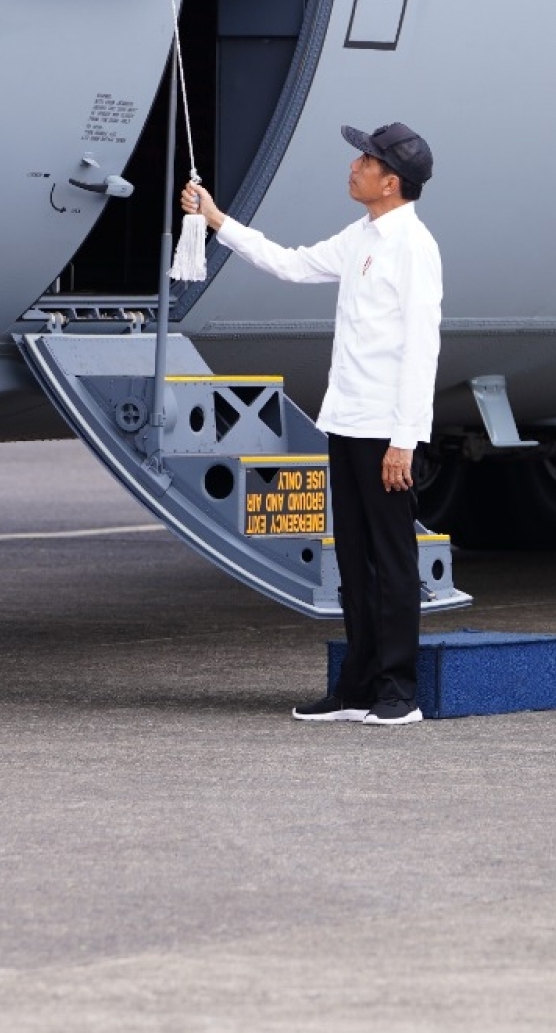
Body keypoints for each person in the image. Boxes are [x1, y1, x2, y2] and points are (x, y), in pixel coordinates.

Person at [183, 123, 442, 727]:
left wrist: (407, 437)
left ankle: (398, 692)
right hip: (348, 419)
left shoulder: (413, 245)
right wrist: (219, 220)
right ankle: (357, 688)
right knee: (353, 559)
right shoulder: (363, 236)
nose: (354, 166)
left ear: (391, 181)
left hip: (386, 428)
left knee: (392, 561)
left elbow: (421, 346)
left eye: (366, 159)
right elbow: (292, 266)